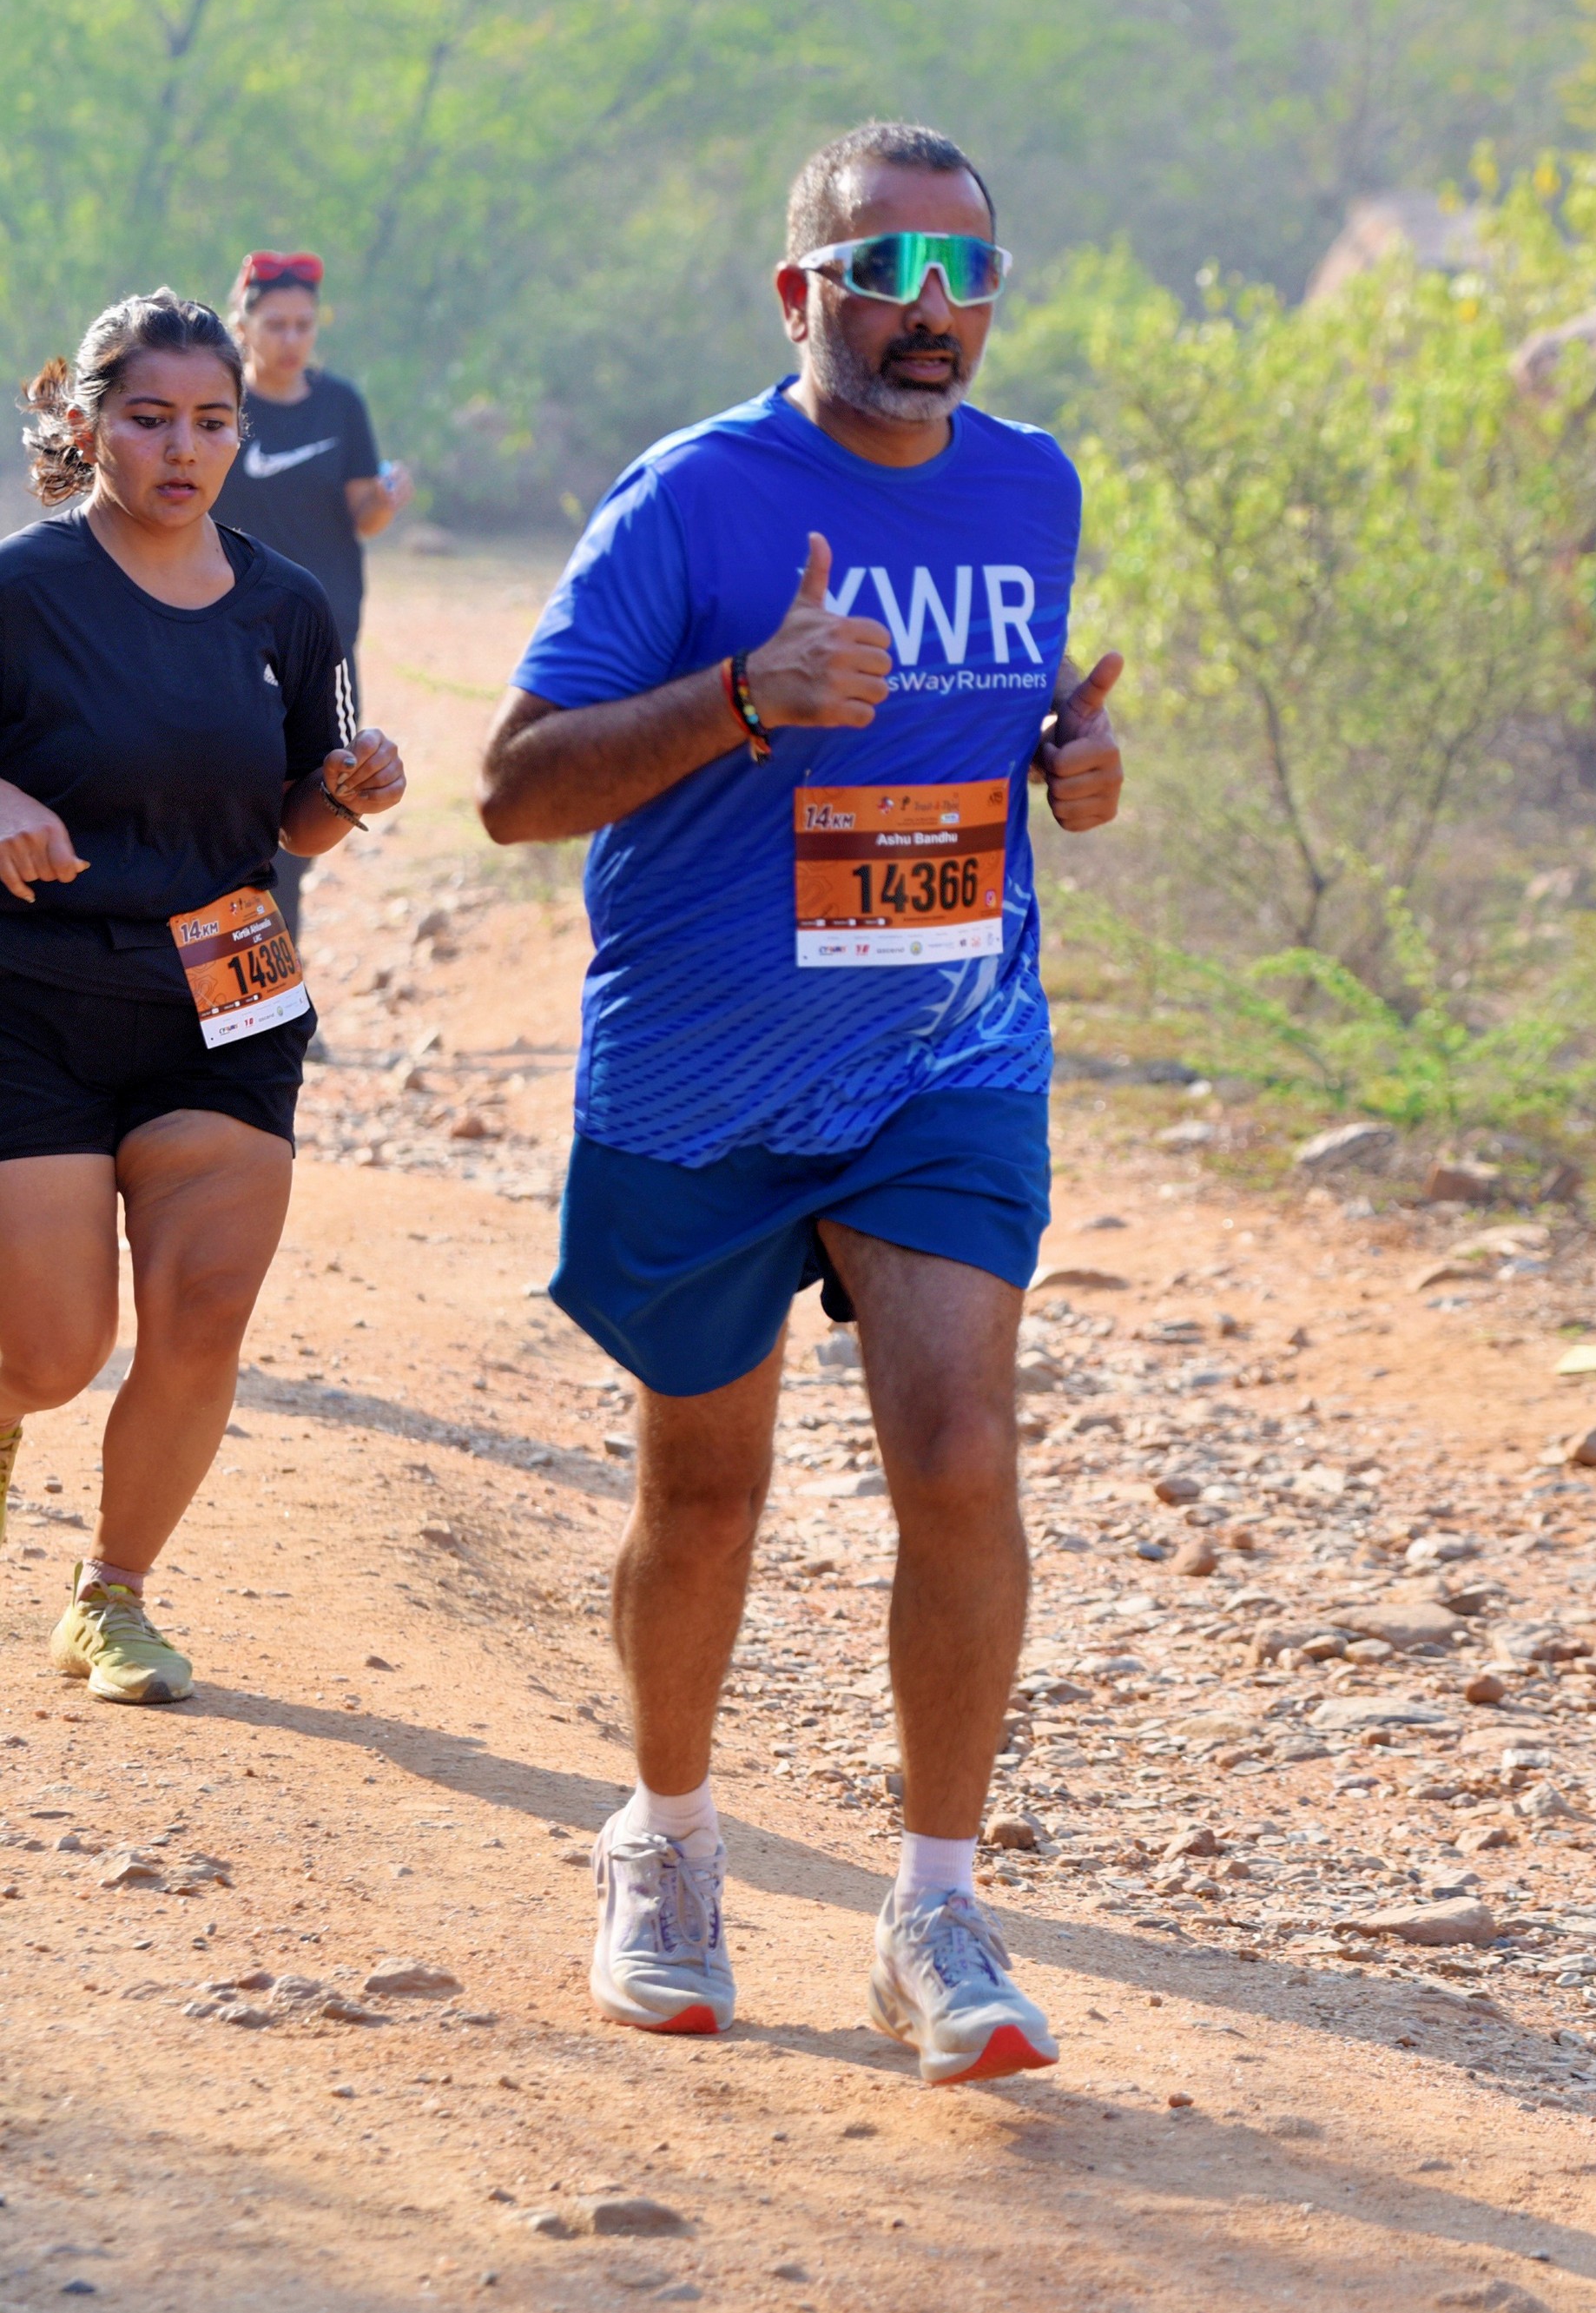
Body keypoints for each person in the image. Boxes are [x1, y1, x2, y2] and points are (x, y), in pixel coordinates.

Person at [478, 121, 1124, 2076]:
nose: (933, 311)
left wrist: (1068, 766)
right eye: (886, 271)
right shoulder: (695, 498)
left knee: (961, 1454)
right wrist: (744, 698)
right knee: (708, 1490)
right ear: (800, 293)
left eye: (965, 273)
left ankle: (936, 1911)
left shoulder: (1032, 485)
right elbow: (514, 787)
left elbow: (992, 733)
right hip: (705, 1065)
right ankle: (666, 1841)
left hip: (946, 1054)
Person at [0, 289, 406, 1706]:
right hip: (34, 993)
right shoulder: (23, 588)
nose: (184, 448)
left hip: (226, 988)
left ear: (243, 431)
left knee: (203, 1313)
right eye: (150, 418)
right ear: (86, 423)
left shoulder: (289, 606)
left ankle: (110, 1594)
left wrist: (348, 791)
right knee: (54, 1348)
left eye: (213, 421)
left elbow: (299, 821)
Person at [218, 251, 411, 941]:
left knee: (307, 805)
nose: (291, 339)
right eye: (276, 324)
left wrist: (385, 501)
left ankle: (279, 972)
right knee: (222, 805)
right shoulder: (219, 408)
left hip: (320, 639)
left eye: (303, 325)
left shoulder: (340, 405)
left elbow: (363, 513)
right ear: (243, 325)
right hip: (224, 636)